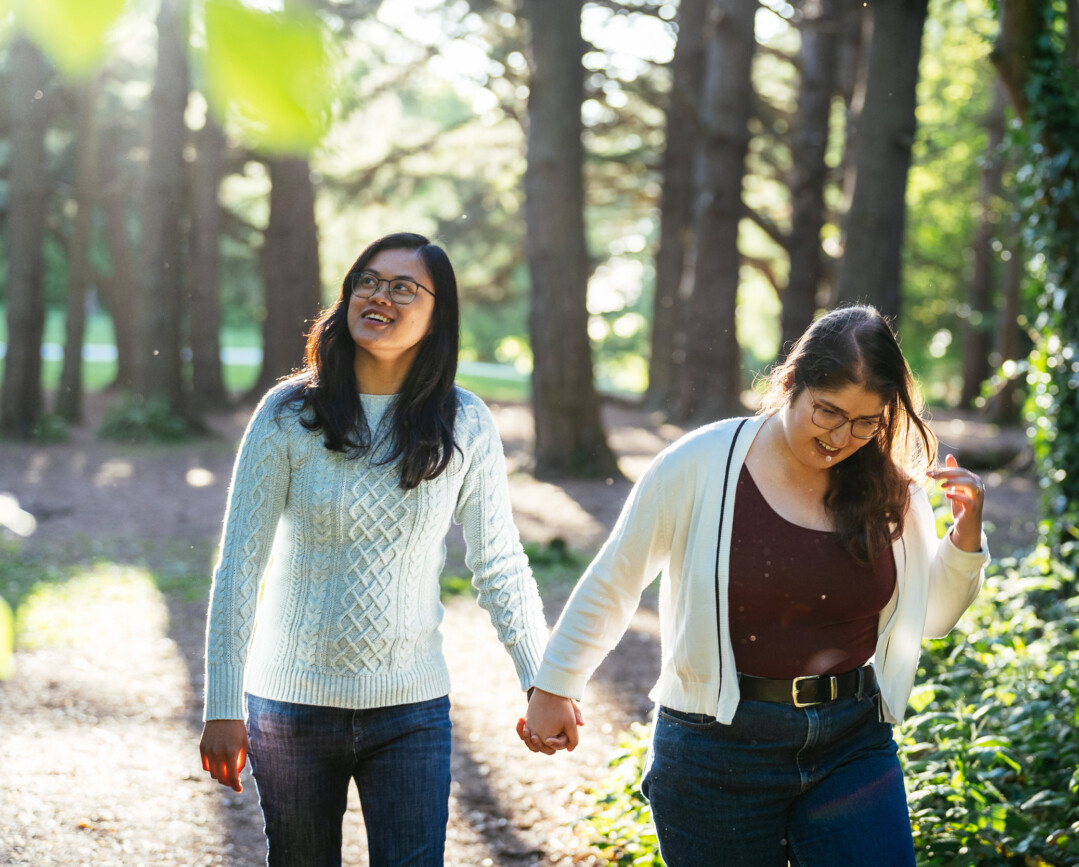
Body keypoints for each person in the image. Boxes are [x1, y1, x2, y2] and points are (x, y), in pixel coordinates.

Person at [519, 305, 989, 866]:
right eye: (828, 412)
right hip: (717, 748)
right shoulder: (700, 463)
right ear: (792, 381)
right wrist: (554, 686)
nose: (843, 437)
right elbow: (616, 579)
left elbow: (931, 619)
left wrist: (965, 538)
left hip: (852, 742)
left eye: (867, 421)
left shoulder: (893, 490)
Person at [199, 232, 568, 866]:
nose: (380, 296)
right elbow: (239, 567)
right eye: (368, 280)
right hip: (289, 705)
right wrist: (223, 704)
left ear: (438, 315)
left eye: (404, 287)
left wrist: (542, 679)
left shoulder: (466, 422)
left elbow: (501, 563)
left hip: (411, 709)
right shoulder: (289, 414)